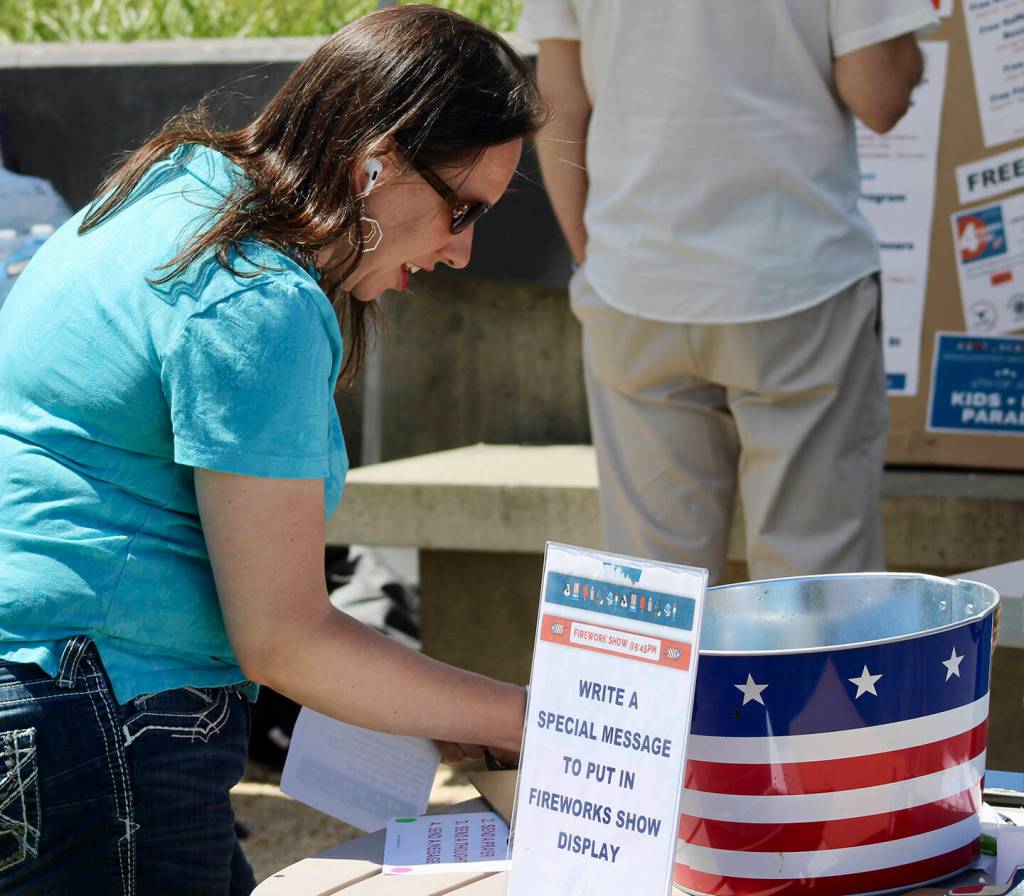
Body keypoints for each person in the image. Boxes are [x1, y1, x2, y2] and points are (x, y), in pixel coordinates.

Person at [0, 6, 542, 893]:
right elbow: (285, 639)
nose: (460, 251)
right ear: (379, 159)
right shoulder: (258, 300)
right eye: (459, 209)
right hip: (102, 722)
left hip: (58, 701)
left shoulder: (181, 185)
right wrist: (521, 716)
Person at [521, 0, 938, 585]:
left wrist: (590, 254)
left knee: (655, 595)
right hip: (796, 279)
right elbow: (880, 95)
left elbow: (559, 98)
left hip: (634, 278)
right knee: (815, 588)